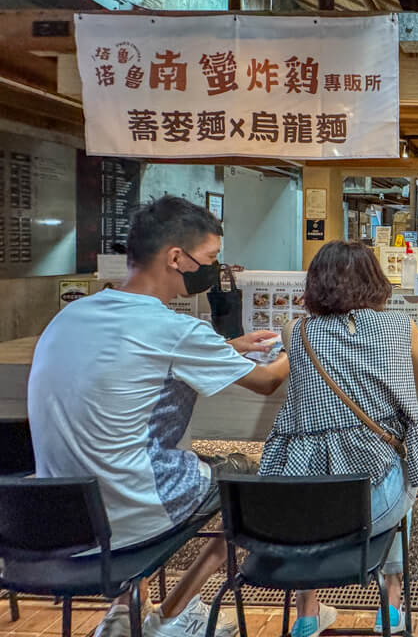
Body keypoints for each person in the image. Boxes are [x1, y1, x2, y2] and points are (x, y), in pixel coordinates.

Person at [28, 196, 290, 637]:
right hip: (129, 507)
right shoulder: (175, 329)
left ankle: (124, 610)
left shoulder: (70, 315)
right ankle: (168, 617)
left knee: (123, 453)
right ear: (176, 258)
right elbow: (266, 382)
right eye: (209, 259)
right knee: (253, 480)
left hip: (59, 516)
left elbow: (139, 361)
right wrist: (309, 337)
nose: (214, 270)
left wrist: (227, 349)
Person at [259, 241, 418, 637]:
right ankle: (390, 607)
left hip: (307, 511)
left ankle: (307, 615)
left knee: (315, 487)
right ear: (375, 281)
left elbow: (283, 373)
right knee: (397, 477)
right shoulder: (398, 326)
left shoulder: (296, 330)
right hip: (370, 508)